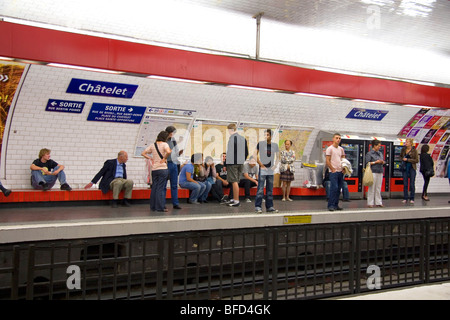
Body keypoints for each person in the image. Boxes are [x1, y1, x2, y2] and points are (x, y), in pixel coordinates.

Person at [141, 131, 171, 212]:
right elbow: (168, 151)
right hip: (162, 169)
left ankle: (153, 207)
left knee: (154, 188)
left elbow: (143, 153)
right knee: (160, 189)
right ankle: (160, 207)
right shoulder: (165, 144)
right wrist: (164, 158)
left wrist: (150, 158)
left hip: (154, 170)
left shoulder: (152, 145)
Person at [255, 129, 279, 214]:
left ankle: (269, 206)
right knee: (260, 189)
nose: (266, 136)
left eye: (267, 135)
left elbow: (278, 156)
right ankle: (258, 206)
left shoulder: (275, 145)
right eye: (265, 135)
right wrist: (261, 165)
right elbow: (255, 155)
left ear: (271, 136)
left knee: (270, 189)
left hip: (270, 170)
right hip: (263, 169)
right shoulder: (260, 144)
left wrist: (275, 166)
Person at [225, 123, 249, 207]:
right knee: (235, 181)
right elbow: (246, 152)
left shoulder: (232, 138)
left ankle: (236, 200)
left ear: (231, 130)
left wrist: (226, 163)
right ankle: (233, 198)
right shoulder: (243, 138)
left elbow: (230, 152)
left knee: (234, 181)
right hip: (240, 162)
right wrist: (242, 160)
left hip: (232, 162)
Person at [326, 133, 345, 212]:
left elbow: (343, 159)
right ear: (333, 139)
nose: (338, 140)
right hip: (333, 172)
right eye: (337, 138)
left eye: (339, 138)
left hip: (340, 171)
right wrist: (332, 169)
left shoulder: (341, 149)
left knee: (339, 189)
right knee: (334, 188)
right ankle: (330, 205)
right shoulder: (330, 149)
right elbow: (327, 161)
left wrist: (344, 168)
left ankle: (336, 205)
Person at [165, 126, 183, 209]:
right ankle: (162, 203)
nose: (174, 134)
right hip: (166, 163)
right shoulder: (163, 141)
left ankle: (175, 203)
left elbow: (176, 153)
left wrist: (179, 153)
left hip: (174, 163)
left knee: (174, 185)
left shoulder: (174, 141)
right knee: (163, 185)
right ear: (169, 132)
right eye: (173, 132)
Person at [365, 140, 386, 208]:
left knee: (378, 188)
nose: (379, 147)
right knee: (372, 187)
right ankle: (370, 202)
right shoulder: (369, 154)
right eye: (378, 146)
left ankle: (378, 202)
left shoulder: (380, 153)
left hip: (380, 171)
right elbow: (367, 163)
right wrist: (375, 162)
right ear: (374, 146)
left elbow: (383, 161)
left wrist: (382, 162)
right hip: (373, 171)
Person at [400, 138, 419, 204]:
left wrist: (408, 160)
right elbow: (400, 157)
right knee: (405, 184)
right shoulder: (403, 150)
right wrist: (402, 159)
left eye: (407, 142)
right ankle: (405, 198)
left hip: (412, 168)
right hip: (405, 168)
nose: (406, 143)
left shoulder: (414, 151)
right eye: (406, 142)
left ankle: (412, 198)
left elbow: (416, 160)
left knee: (412, 183)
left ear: (411, 143)